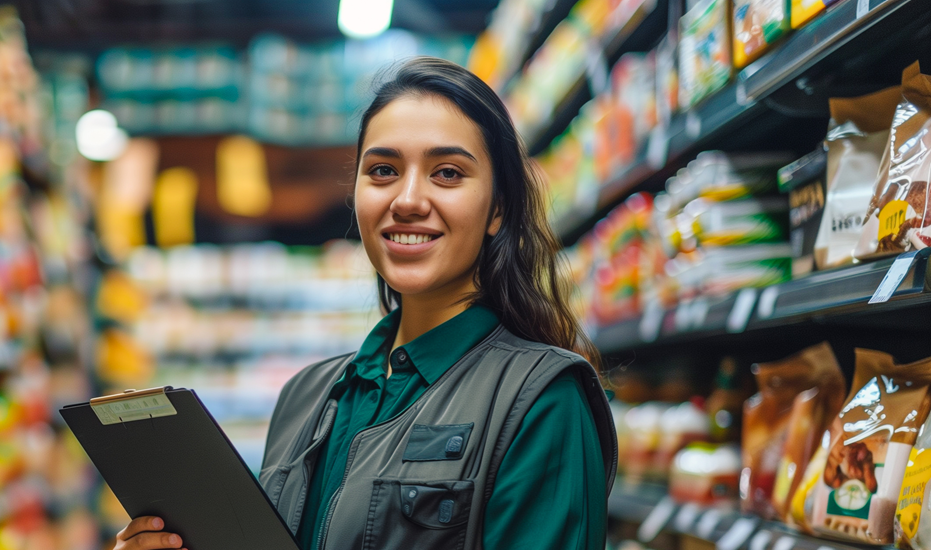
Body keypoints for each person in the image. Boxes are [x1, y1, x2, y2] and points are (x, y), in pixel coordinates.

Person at [114, 56, 618, 550]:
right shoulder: (303, 398)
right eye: (383, 170)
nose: (408, 199)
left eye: (446, 173)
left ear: (498, 209)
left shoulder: (542, 400)